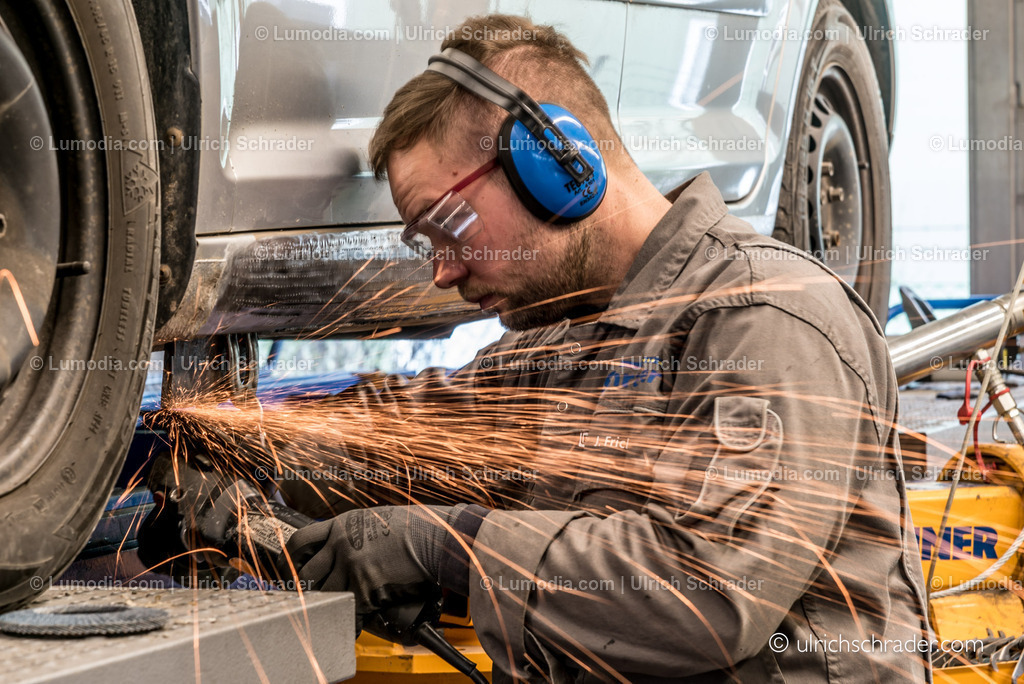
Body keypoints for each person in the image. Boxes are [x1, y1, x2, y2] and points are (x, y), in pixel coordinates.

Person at [282, 14, 930, 683]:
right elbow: (401, 434)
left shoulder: (766, 313)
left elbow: (708, 593)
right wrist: (249, 455)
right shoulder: (564, 346)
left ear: (556, 163)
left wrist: (449, 548)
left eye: (447, 225)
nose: (442, 272)